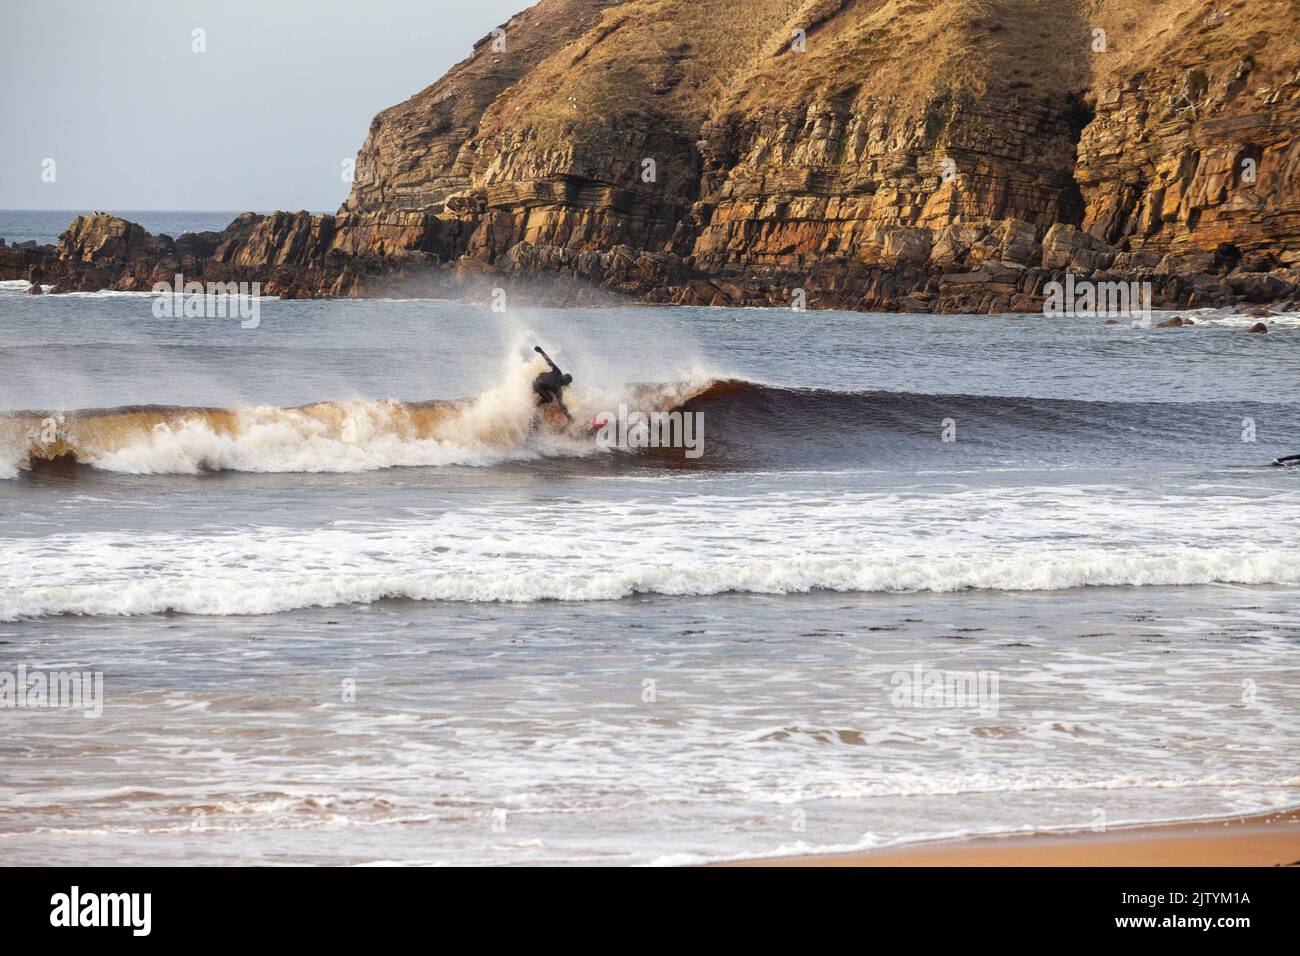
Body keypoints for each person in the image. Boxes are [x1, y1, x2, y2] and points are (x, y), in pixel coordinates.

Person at [532, 346, 573, 422]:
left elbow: (549, 361)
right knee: (549, 399)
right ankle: (537, 406)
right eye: (567, 383)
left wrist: (541, 351)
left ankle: (537, 406)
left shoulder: (558, 371)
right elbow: (562, 405)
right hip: (537, 386)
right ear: (566, 383)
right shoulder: (558, 389)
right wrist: (569, 416)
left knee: (549, 395)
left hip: (535, 380)